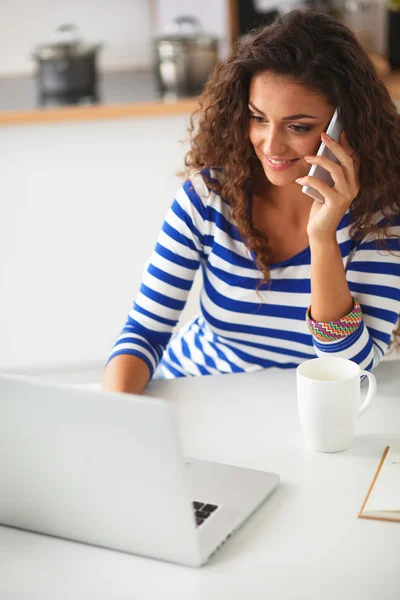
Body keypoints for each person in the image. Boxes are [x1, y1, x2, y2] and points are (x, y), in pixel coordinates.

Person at [102, 9, 400, 395]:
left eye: (298, 126)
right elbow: (144, 333)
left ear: (346, 126)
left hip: (304, 415)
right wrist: (117, 415)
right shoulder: (209, 197)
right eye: (258, 118)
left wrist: (323, 236)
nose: (271, 145)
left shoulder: (380, 218)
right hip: (193, 391)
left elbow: (351, 370)